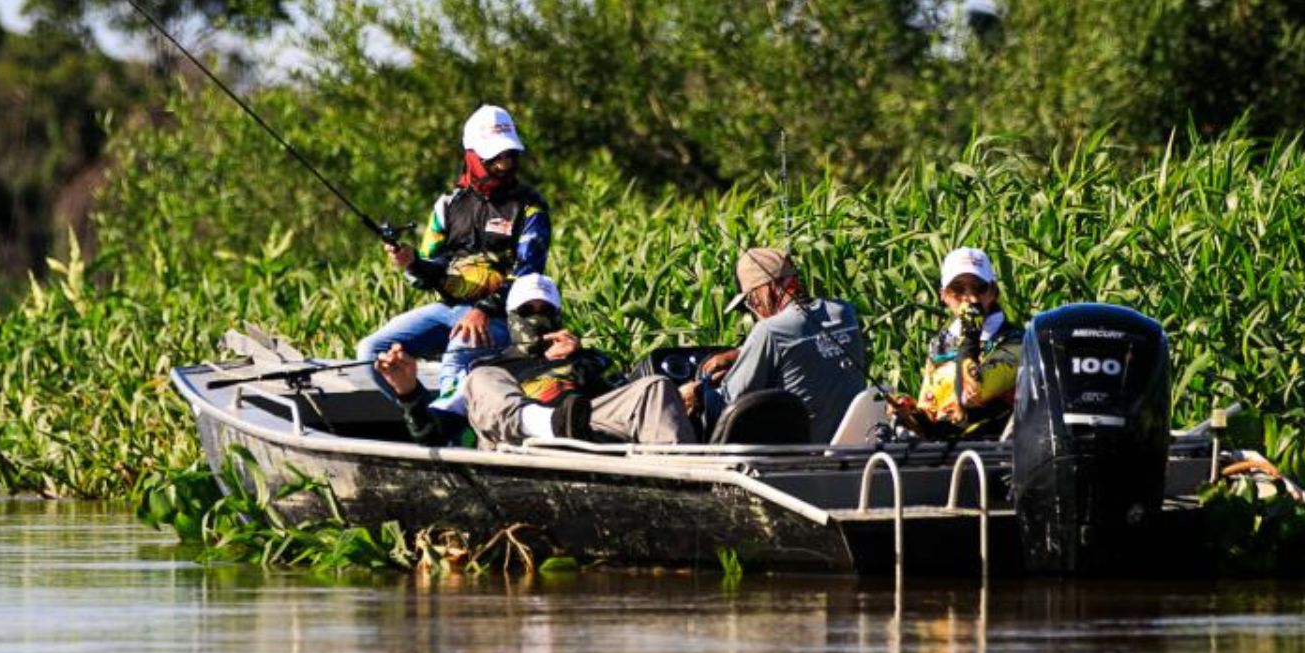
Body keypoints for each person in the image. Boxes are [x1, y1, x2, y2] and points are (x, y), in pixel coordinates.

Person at [356, 104, 551, 412]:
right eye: (495, 157)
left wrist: (483, 309)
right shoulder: (447, 205)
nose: (504, 164)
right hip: (450, 309)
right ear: (472, 156)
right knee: (371, 351)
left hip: (504, 317)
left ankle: (447, 430)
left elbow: (527, 275)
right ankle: (426, 416)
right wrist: (411, 263)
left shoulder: (530, 208)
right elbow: (426, 274)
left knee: (459, 350)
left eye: (510, 155)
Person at [374, 273, 696, 450]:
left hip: (588, 430)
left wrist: (583, 359)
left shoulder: (583, 357)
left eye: (546, 312)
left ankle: (686, 492)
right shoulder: (492, 368)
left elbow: (626, 397)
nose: (537, 319)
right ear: (512, 319)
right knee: (480, 377)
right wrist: (408, 391)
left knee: (656, 386)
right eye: (528, 312)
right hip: (522, 446)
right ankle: (549, 425)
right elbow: (431, 433)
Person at [687, 248, 867, 443]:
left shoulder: (770, 330)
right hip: (851, 447)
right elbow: (810, 348)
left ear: (765, 291)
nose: (753, 311)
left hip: (800, 454)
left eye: (749, 302)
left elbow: (726, 403)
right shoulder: (845, 313)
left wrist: (698, 390)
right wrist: (741, 354)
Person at [888, 247, 1024, 440]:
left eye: (979, 287)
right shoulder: (941, 343)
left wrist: (971, 334)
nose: (970, 297)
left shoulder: (1016, 341)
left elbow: (971, 394)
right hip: (948, 455)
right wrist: (910, 414)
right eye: (958, 289)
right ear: (944, 295)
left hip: (995, 455)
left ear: (993, 291)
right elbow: (932, 410)